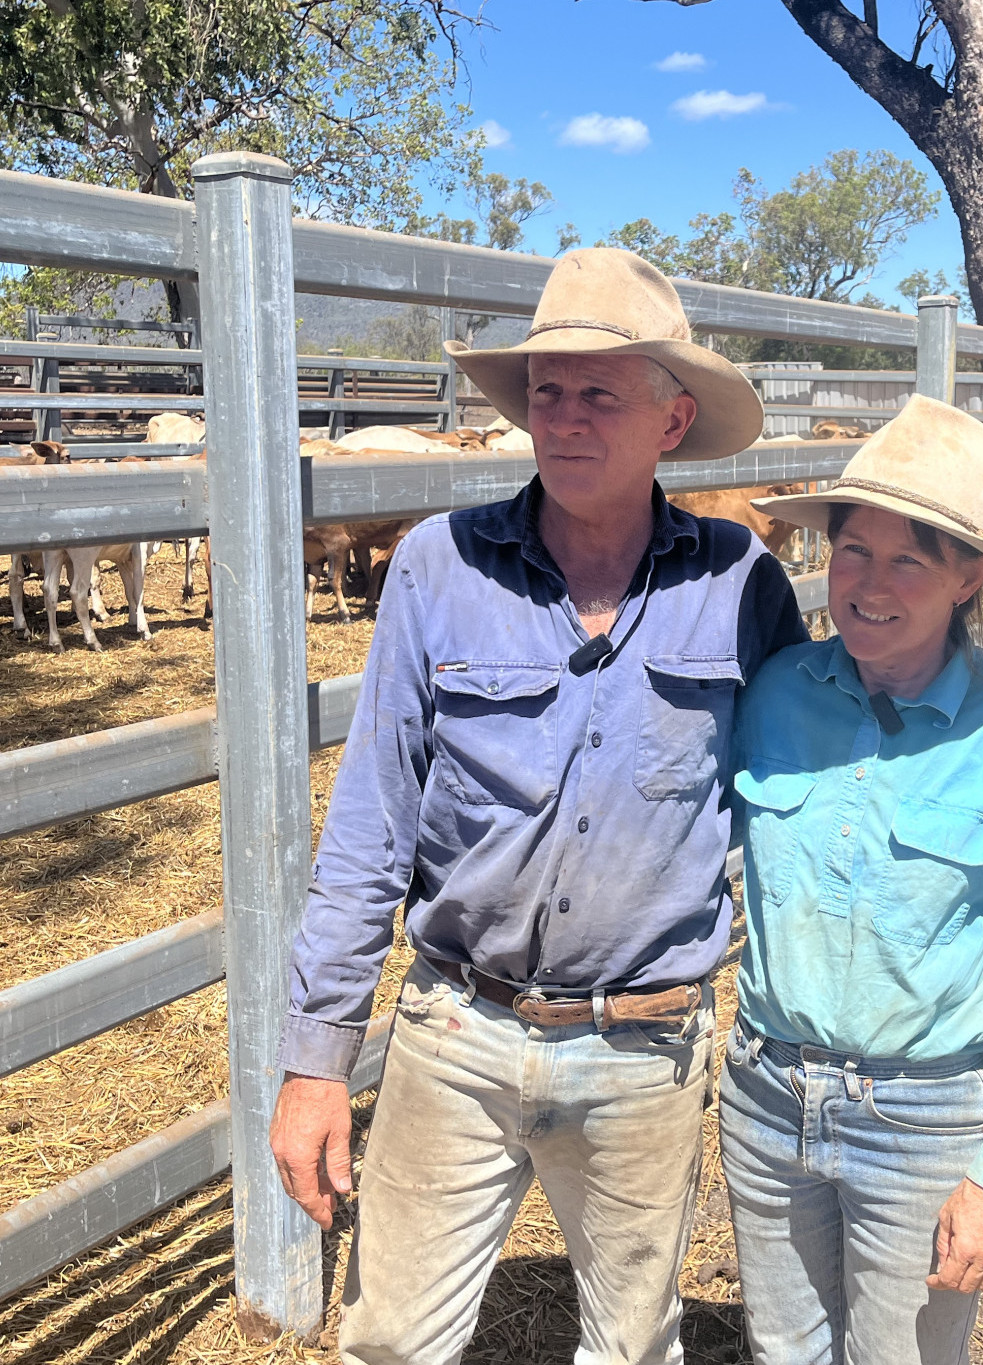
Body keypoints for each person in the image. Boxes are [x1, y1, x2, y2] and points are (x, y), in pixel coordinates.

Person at [267, 247, 810, 1365]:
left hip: (646, 1043)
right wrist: (316, 1058)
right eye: (544, 392)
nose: (562, 419)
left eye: (599, 393)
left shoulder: (739, 581)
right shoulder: (436, 567)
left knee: (629, 1347)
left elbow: (802, 800)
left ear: (670, 420)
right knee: (390, 1343)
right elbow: (369, 824)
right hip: (456, 1027)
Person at [722, 395, 983, 1365]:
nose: (866, 584)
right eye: (851, 550)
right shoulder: (775, 697)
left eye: (908, 560)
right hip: (766, 1094)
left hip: (924, 1113)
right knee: (781, 1350)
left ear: (968, 574)